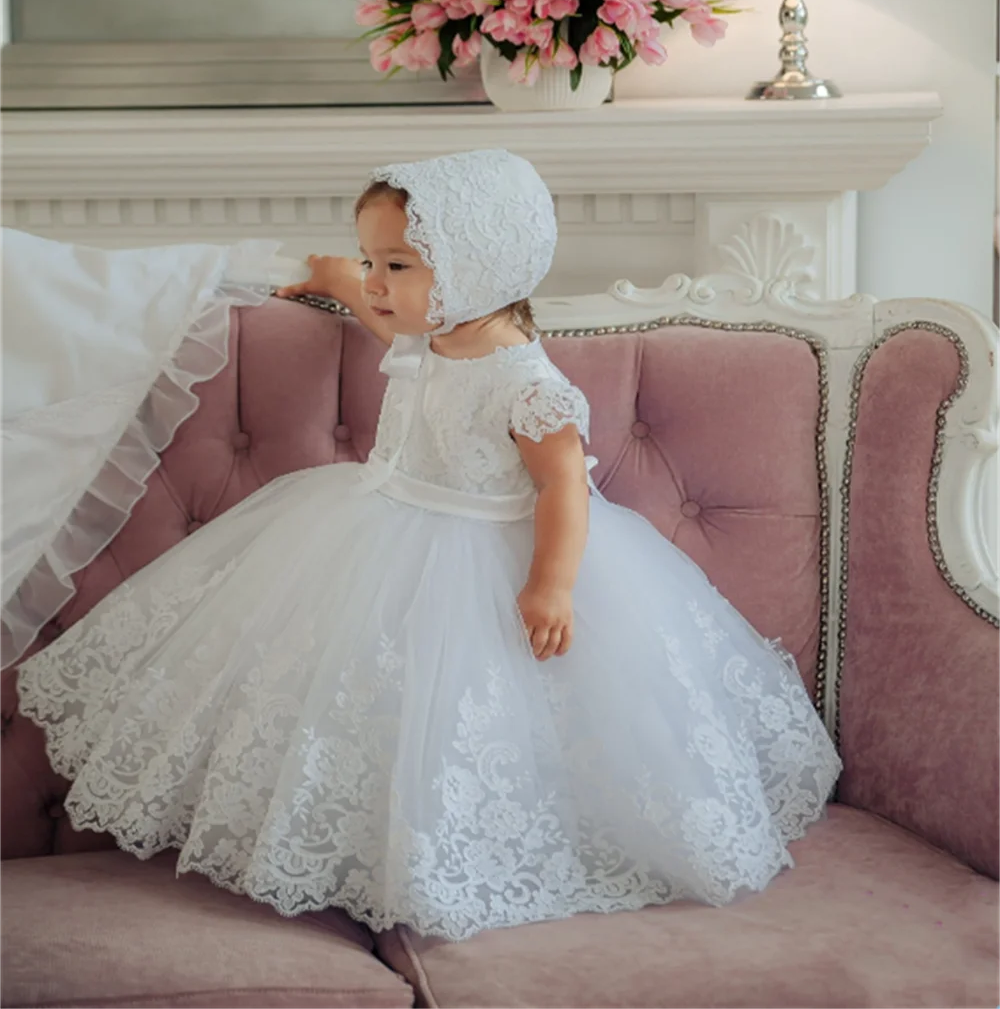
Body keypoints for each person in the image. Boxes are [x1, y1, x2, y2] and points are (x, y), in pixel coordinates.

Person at [16, 148, 842, 942]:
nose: (377, 283)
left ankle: (453, 861)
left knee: (464, 730)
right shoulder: (431, 331)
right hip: (371, 526)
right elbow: (376, 312)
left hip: (485, 559)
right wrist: (341, 277)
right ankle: (344, 848)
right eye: (373, 260)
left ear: (479, 268)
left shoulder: (529, 384)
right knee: (340, 705)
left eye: (397, 266)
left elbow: (562, 487)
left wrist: (551, 585)